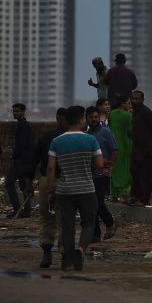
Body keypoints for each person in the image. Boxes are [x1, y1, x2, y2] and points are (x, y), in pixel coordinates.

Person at [46, 105, 102, 271]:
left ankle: (68, 261)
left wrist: (50, 191)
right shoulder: (91, 139)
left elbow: (50, 169)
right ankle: (81, 249)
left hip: (65, 190)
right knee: (89, 223)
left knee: (68, 226)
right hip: (86, 189)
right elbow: (99, 164)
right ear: (80, 120)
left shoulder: (56, 141)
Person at [32, 108, 68, 268]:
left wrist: (28, 181)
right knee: (64, 220)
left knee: (47, 219)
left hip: (47, 180)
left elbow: (34, 159)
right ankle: (64, 255)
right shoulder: (72, 138)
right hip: (66, 180)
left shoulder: (46, 136)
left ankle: (47, 253)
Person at [85, 106, 118, 241]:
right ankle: (95, 234)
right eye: (91, 117)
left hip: (102, 175)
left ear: (99, 118)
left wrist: (108, 165)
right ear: (86, 119)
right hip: (89, 174)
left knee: (98, 203)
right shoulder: (86, 136)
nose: (93, 120)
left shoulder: (106, 132)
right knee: (91, 206)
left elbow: (115, 150)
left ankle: (110, 223)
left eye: (96, 117)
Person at [5, 103, 34, 218]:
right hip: (24, 161)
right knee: (23, 185)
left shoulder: (23, 126)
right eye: (14, 111)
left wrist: (15, 157)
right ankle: (26, 211)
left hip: (21, 161)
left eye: (17, 111)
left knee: (9, 183)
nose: (15, 113)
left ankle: (18, 210)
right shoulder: (23, 125)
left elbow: (22, 146)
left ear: (23, 112)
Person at [107, 98, 133, 202]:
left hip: (113, 145)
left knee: (114, 169)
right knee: (127, 170)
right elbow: (131, 131)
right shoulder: (128, 115)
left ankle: (113, 194)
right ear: (122, 104)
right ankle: (124, 194)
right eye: (128, 103)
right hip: (125, 145)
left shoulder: (111, 114)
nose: (130, 105)